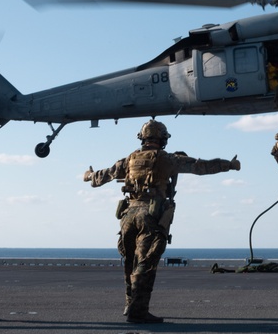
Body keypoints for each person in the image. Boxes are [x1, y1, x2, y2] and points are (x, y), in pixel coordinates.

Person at [84, 119, 240, 323]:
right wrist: (229, 165)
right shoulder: (168, 159)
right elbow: (200, 166)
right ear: (163, 139)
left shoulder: (129, 160)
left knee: (130, 262)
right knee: (145, 263)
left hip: (128, 215)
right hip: (151, 214)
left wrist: (88, 175)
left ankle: (130, 304)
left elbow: (103, 176)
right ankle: (138, 312)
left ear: (142, 138)